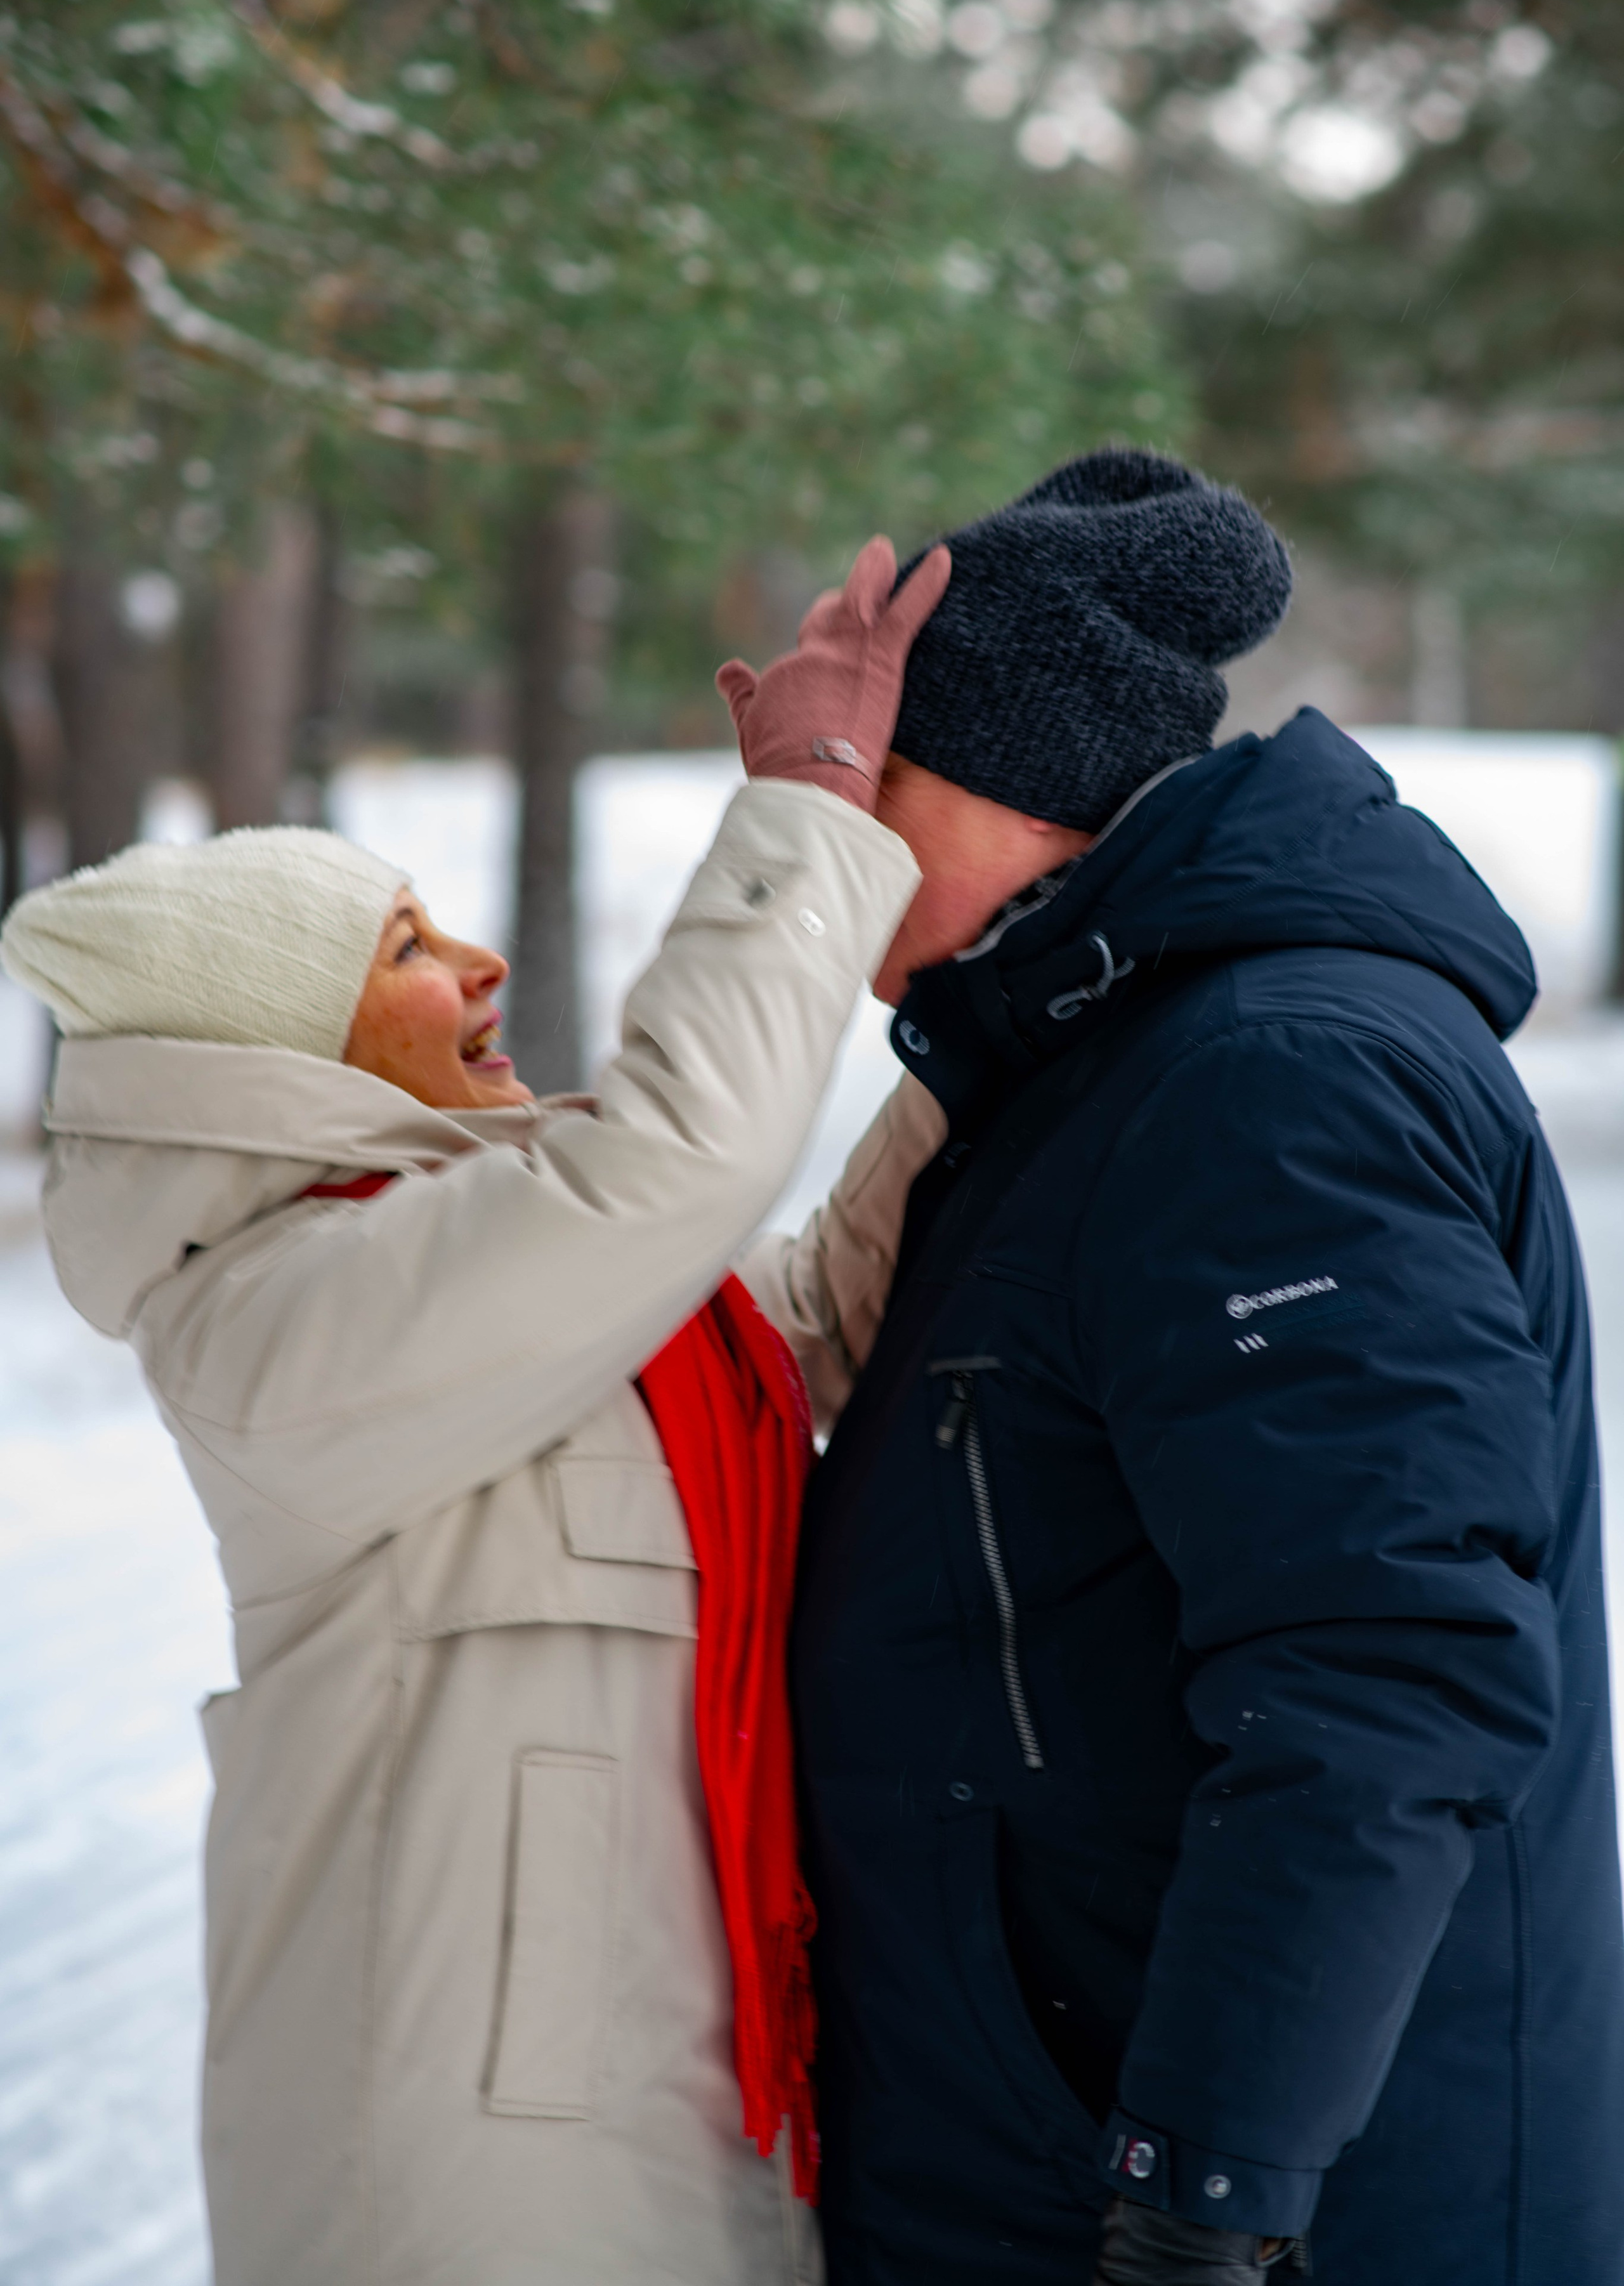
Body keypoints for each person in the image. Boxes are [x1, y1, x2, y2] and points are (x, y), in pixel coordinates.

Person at [0, 536, 949, 2286]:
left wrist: (986, 1029)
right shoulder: (278, 1326)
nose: (484, 963)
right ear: (287, 1057)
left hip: (686, 2109)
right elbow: (664, 1173)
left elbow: (793, 1321)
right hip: (452, 2181)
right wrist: (814, 815)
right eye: (409, 952)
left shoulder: (482, 1274)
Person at [752, 448, 1624, 2285]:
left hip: (1245, 2217)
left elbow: (1385, 1668)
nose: (822, 843)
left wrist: (1204, 2195)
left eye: (862, 788)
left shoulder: (1264, 1085)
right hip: (1058, 2160)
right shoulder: (1084, 1064)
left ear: (998, 789)